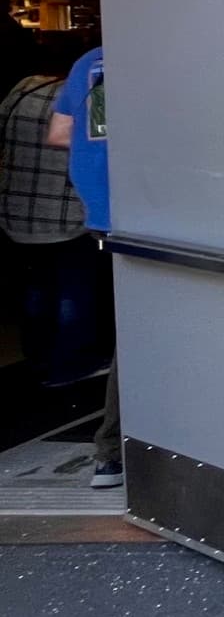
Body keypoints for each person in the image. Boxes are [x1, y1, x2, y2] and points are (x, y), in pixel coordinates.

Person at [2, 46, 100, 391]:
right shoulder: (86, 89)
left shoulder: (22, 90)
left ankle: (37, 357)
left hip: (17, 211)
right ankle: (70, 365)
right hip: (64, 211)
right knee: (74, 290)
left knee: (37, 286)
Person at [47, 44, 119, 488]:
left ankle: (112, 455)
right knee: (148, 334)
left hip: (104, 215)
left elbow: (60, 132)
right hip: (159, 209)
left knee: (135, 333)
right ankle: (113, 449)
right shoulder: (170, 53)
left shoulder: (89, 61)